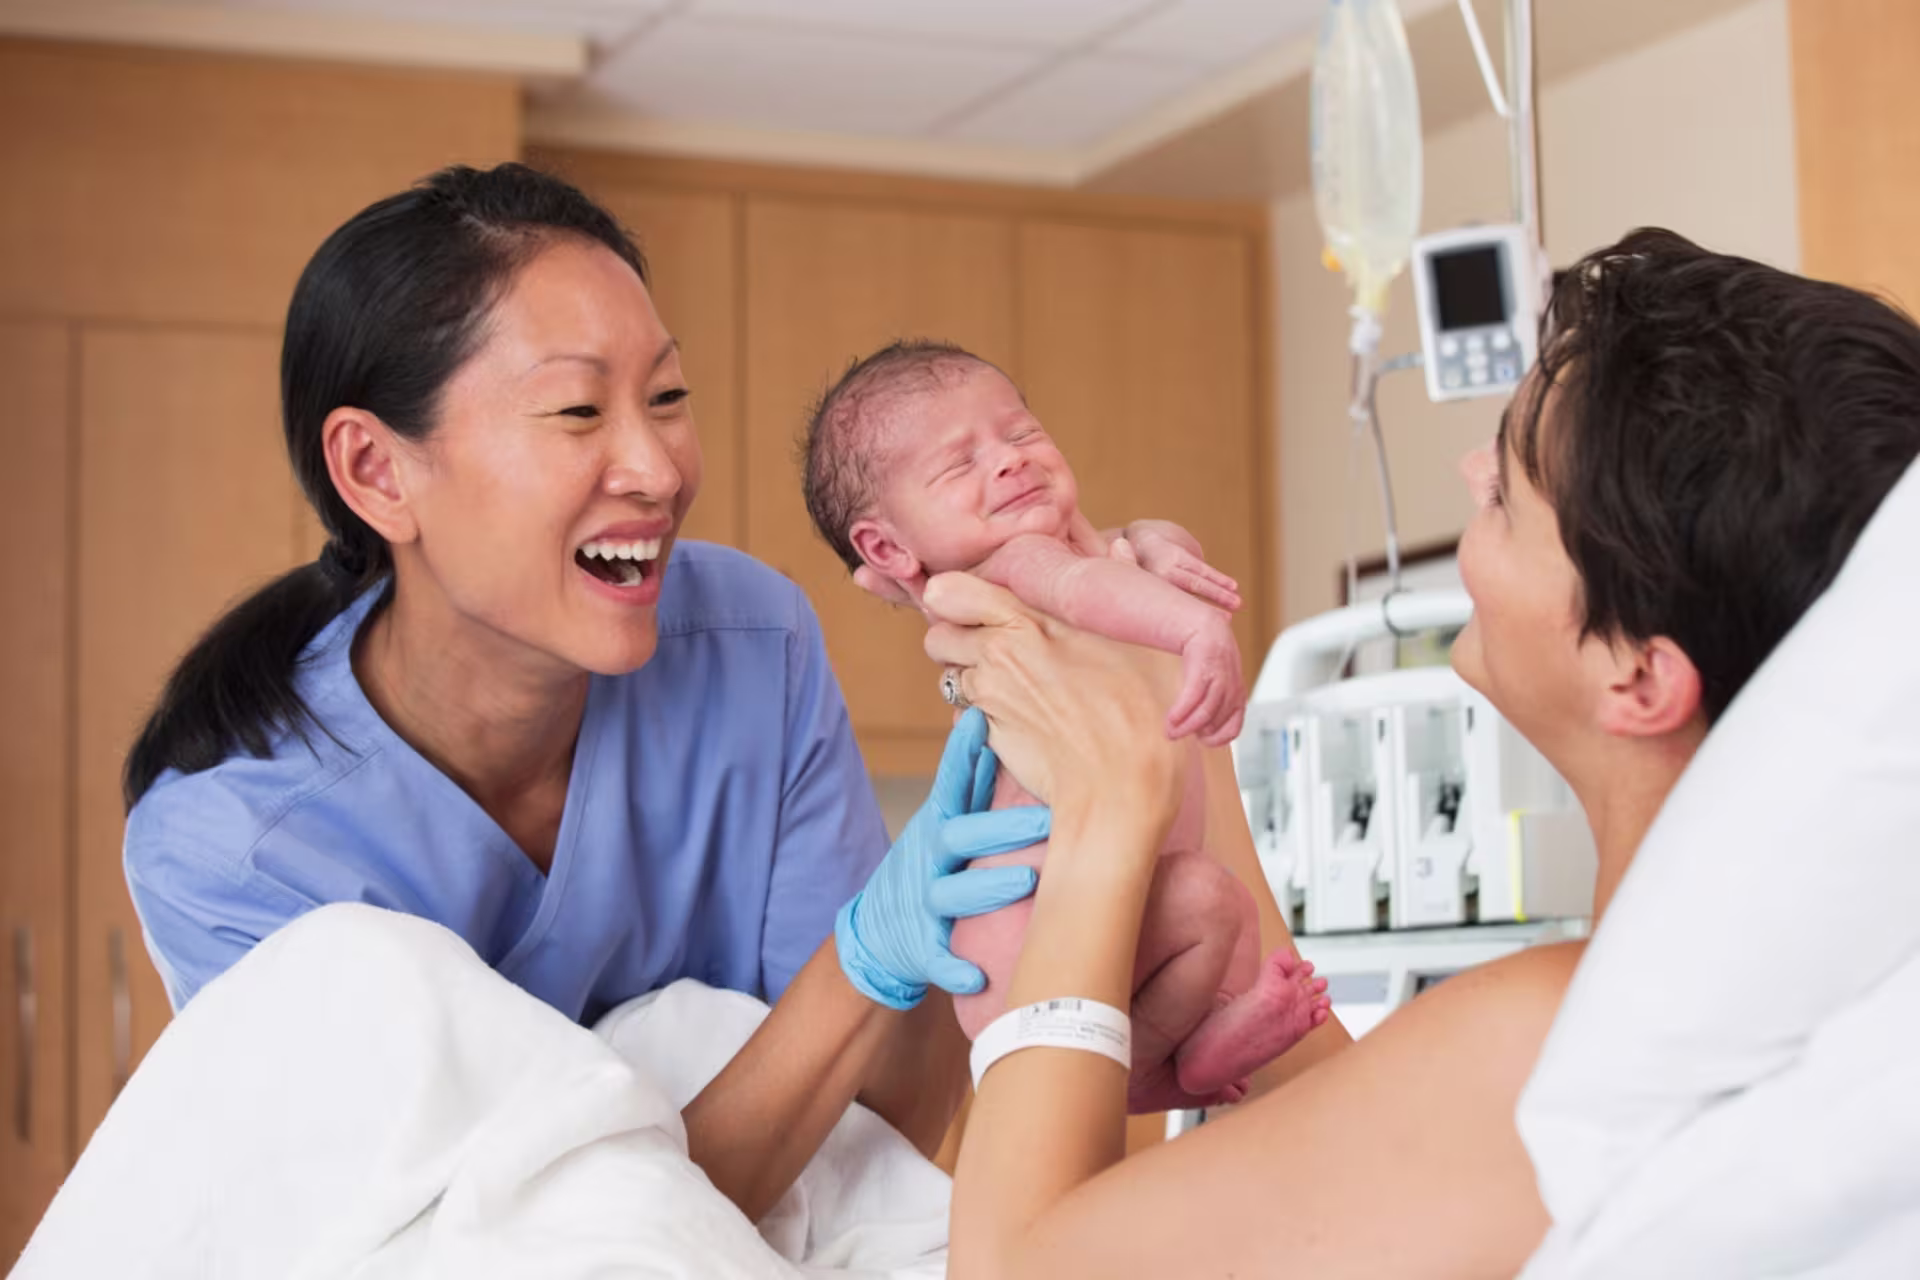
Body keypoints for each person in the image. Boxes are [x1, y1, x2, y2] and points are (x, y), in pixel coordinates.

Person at [925, 229, 1920, 1277]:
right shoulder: (1739, 997)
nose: (1470, 465)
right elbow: (1342, 1145)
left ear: (1640, 676)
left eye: (1511, 490)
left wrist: (1104, 812)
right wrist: (1169, 729)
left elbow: (1010, 1269)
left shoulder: (1557, 1033)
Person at [115, 162, 1051, 1220]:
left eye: (666, 397)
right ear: (378, 471)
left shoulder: (753, 647)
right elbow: (497, 1253)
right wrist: (854, 965)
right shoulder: (237, 849)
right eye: (576, 409)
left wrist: (921, 956)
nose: (655, 467)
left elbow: (882, 1138)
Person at [802, 341, 1329, 1112]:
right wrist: (1196, 630)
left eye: (1020, 435)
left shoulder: (1067, 561)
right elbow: (1087, 587)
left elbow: (1111, 568)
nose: (1009, 463)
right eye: (958, 466)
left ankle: (1186, 1057)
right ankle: (1156, 1069)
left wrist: (1157, 544)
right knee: (1211, 908)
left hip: (1094, 903)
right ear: (887, 548)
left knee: (1217, 910)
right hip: (1029, 922)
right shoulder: (1011, 572)